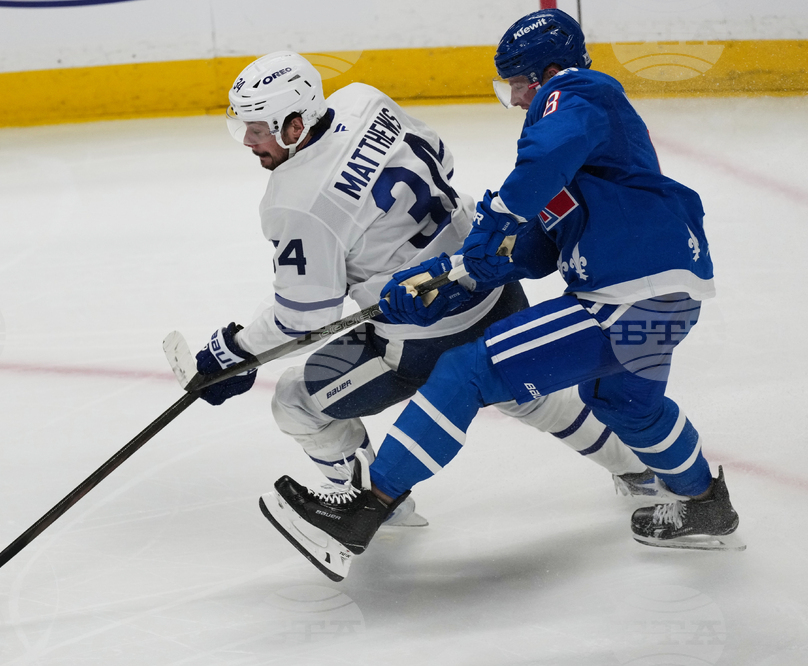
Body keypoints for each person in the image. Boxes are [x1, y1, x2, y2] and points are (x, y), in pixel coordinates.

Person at [259, 13, 743, 580]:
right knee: (625, 404)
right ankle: (707, 504)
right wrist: (451, 275)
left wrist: (495, 218)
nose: (514, 99)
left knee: (466, 369)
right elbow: (535, 251)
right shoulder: (585, 156)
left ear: (549, 73)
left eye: (518, 83)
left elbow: (539, 164)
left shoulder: (580, 92)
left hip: (627, 299)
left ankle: (368, 509)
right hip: (664, 299)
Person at [198, 50, 656, 554]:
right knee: (528, 394)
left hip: (424, 331)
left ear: (294, 123)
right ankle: (640, 471)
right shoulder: (364, 100)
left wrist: (234, 350)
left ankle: (367, 508)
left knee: (295, 402)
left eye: (260, 128)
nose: (248, 140)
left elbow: (303, 317)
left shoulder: (294, 198)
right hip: (487, 274)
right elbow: (443, 156)